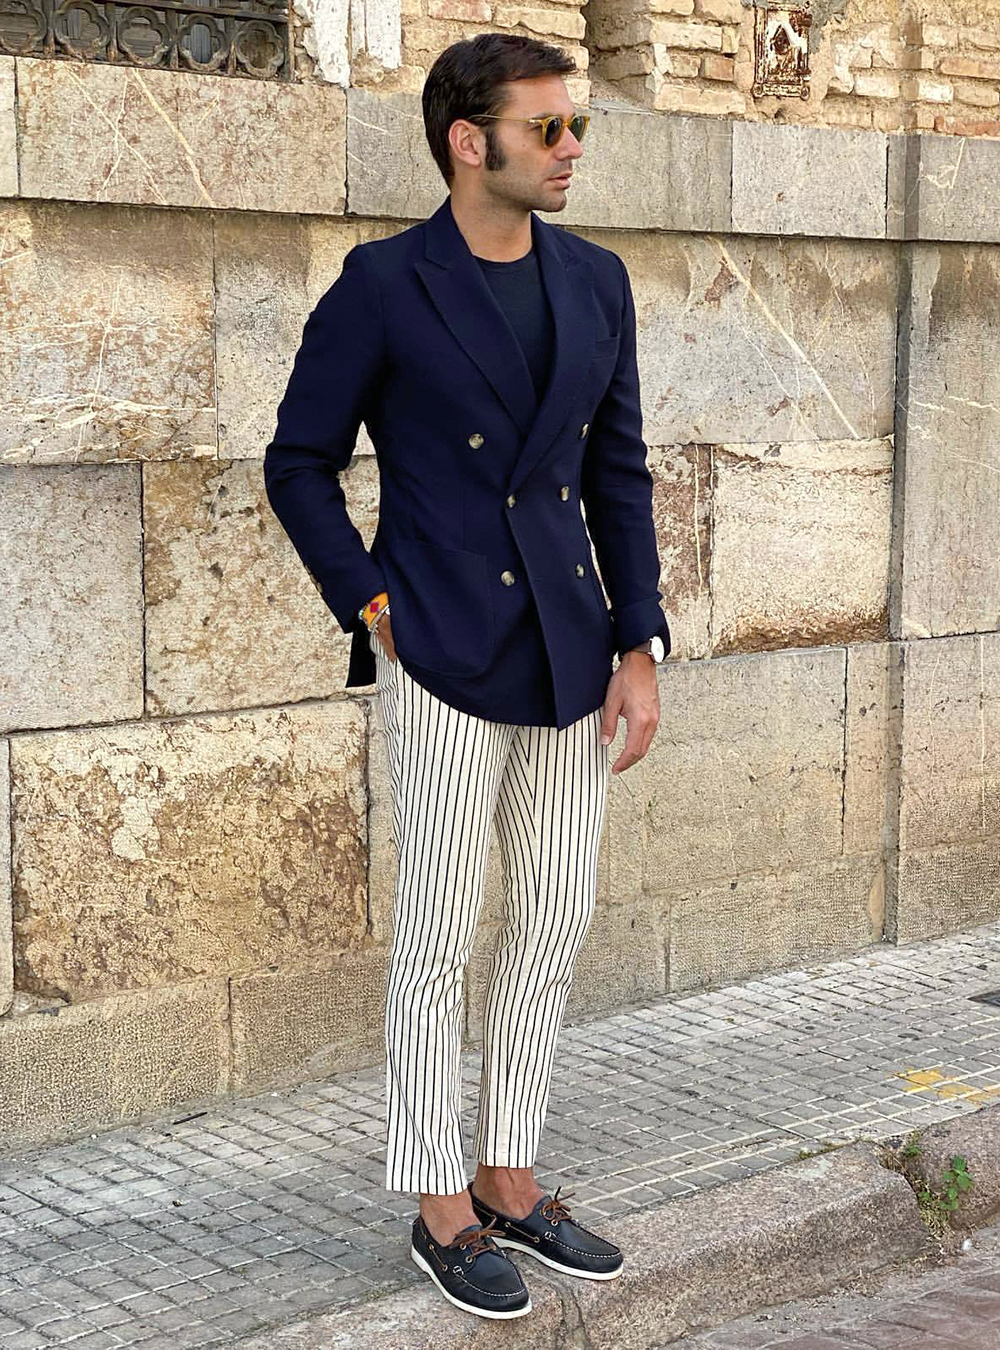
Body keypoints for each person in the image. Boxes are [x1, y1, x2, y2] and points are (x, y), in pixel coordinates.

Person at [263, 30, 671, 1321]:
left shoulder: (597, 281)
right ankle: (438, 1200)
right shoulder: (384, 285)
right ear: (465, 140)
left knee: (551, 921)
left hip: (568, 650)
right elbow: (297, 458)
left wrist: (639, 640)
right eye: (546, 129)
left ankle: (511, 1174)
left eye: (576, 127)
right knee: (440, 934)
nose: (569, 150)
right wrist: (370, 597)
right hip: (439, 647)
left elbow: (618, 472)